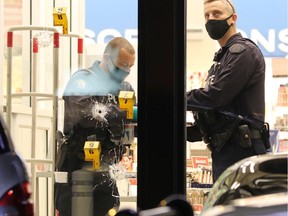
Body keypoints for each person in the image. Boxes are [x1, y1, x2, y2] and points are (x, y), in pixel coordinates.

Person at [186, 0, 270, 182]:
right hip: (227, 150)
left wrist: (176, 99)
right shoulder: (223, 57)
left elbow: (215, 96)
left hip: (242, 151)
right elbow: (219, 110)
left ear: (233, 18)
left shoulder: (242, 52)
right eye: (207, 16)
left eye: (216, 14)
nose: (210, 19)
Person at [55, 37, 136, 216]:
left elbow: (131, 123)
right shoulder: (82, 81)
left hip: (107, 173)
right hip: (77, 169)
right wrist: (122, 113)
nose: (126, 71)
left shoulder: (125, 89)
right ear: (107, 58)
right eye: (122, 65)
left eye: (130, 67)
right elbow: (83, 116)